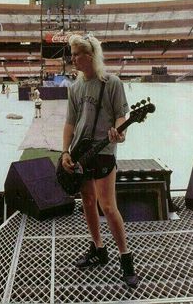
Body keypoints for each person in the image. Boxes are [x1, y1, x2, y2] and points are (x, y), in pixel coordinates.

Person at [60, 34, 139, 288]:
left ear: (91, 54)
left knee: (108, 205)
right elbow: (70, 123)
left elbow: (120, 116)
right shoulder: (75, 87)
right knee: (88, 201)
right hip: (80, 153)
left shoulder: (111, 82)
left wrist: (120, 132)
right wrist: (65, 152)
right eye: (71, 54)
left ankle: (126, 258)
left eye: (76, 54)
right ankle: (98, 248)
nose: (72, 58)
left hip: (104, 152)